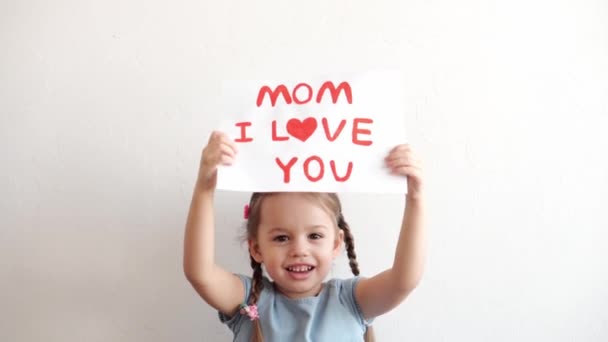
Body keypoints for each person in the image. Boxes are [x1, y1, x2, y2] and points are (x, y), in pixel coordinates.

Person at [183, 131, 425, 342]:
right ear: (256, 248)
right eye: (281, 238)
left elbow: (403, 280)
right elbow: (200, 273)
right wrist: (204, 189)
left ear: (336, 243)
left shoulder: (352, 300)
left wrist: (415, 198)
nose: (299, 249)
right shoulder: (248, 300)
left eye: (315, 235)